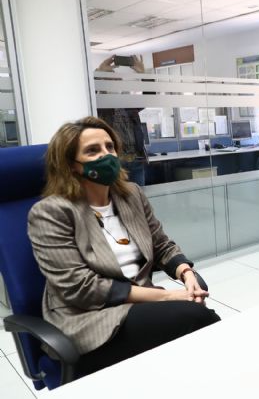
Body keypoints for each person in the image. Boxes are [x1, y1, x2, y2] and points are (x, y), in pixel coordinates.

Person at [28, 116, 220, 376]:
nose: (106, 155)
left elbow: (161, 244)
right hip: (88, 318)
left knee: (194, 315)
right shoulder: (50, 212)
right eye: (92, 151)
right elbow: (80, 288)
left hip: (140, 305)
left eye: (110, 147)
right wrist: (166, 296)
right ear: (71, 165)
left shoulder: (131, 194)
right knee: (198, 319)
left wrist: (186, 272)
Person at [95, 55, 148, 186]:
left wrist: (143, 75)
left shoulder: (128, 104)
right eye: (112, 80)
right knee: (118, 201)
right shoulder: (100, 105)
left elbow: (150, 96)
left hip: (136, 161)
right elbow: (88, 92)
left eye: (118, 80)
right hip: (115, 162)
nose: (117, 82)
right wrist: (98, 73)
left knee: (138, 200)